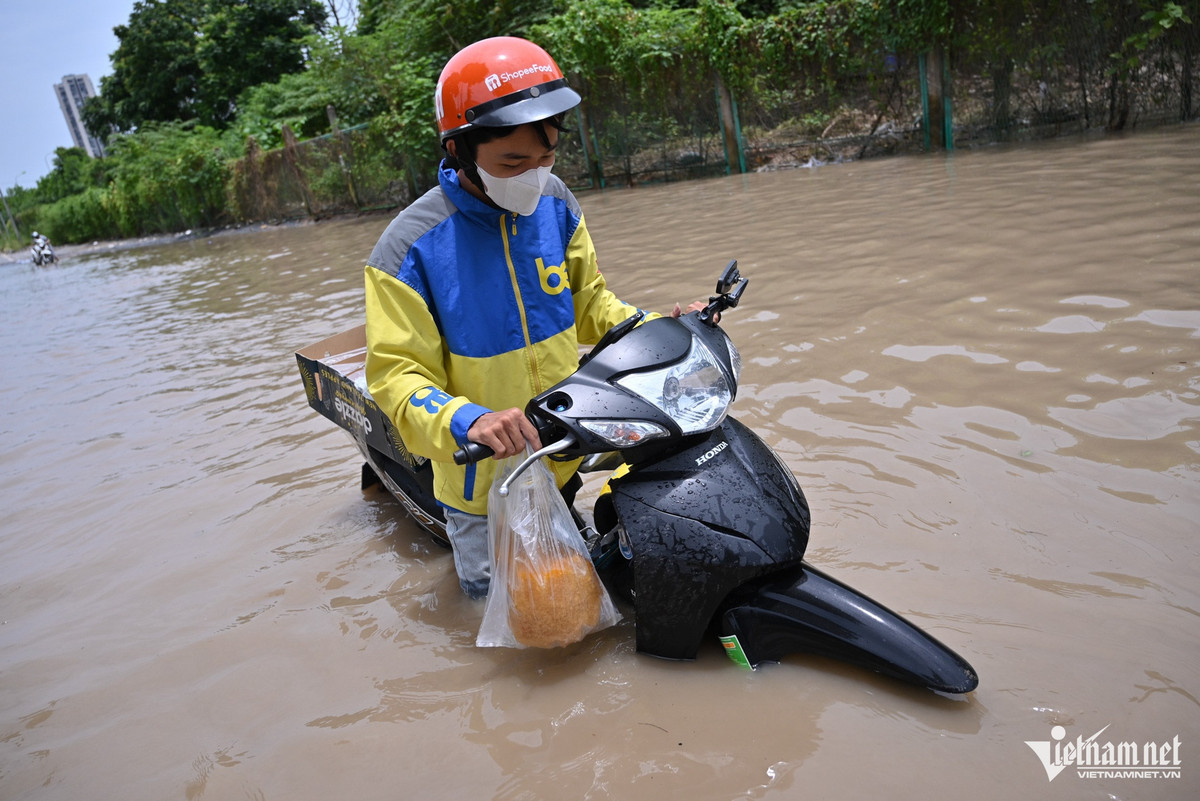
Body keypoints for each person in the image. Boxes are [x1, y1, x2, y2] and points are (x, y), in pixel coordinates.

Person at [364, 36, 701, 598]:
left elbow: (592, 305)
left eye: (546, 158)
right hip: (483, 478)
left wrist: (664, 328)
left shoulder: (556, 203)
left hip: (565, 442)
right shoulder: (409, 250)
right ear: (458, 149)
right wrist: (468, 419)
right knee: (507, 611)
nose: (535, 177)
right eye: (514, 162)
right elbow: (396, 376)